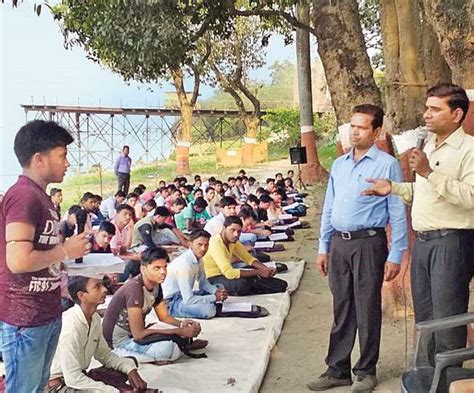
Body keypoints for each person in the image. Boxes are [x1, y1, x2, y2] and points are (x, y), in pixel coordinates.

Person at [362, 84, 474, 367]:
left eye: (435, 109)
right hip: (423, 244)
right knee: (424, 315)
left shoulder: (469, 150)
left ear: (457, 114)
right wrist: (394, 188)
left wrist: (427, 171)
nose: (427, 115)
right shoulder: (429, 145)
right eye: (427, 108)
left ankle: (449, 380)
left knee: (447, 318)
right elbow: (424, 193)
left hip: (452, 242)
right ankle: (426, 377)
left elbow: (471, 196)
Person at [306, 104, 408, 393]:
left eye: (361, 127)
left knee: (367, 308)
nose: (354, 131)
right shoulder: (339, 164)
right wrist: (323, 247)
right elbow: (329, 208)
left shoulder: (387, 164)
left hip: (369, 244)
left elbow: (397, 211)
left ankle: (365, 370)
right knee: (342, 307)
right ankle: (337, 369)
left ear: (377, 132)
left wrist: (395, 254)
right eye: (352, 125)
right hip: (339, 243)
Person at [0, 120, 90, 392]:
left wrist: (64, 258)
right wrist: (65, 250)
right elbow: (17, 260)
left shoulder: (42, 198)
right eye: (62, 155)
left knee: (38, 387)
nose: (67, 163)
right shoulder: (24, 196)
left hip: (45, 313)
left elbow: (40, 254)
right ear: (39, 159)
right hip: (24, 319)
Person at [102, 247, 203, 363]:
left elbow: (164, 317)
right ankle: (180, 347)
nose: (163, 272)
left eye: (165, 267)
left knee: (175, 333)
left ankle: (180, 346)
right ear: (143, 269)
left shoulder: (156, 285)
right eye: (157, 268)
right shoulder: (134, 289)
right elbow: (139, 335)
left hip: (136, 333)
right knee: (167, 350)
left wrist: (182, 324)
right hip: (119, 342)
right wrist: (178, 332)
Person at [48, 275, 148, 392]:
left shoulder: (94, 318)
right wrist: (112, 391)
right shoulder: (70, 327)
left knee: (130, 363)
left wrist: (130, 369)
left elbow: (104, 355)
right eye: (97, 287)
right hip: (59, 385)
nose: (104, 289)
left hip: (80, 376)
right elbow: (72, 378)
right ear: (82, 296)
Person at [203, 216, 285, 296]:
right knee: (242, 284)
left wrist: (265, 269)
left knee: (281, 285)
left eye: (239, 231)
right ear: (224, 228)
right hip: (213, 278)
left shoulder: (233, 240)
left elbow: (248, 258)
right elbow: (229, 273)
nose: (236, 234)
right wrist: (259, 272)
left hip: (226, 274)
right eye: (232, 230)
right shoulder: (215, 243)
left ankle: (254, 282)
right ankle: (253, 284)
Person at [163, 230, 228, 319]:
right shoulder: (185, 264)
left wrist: (216, 292)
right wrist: (214, 297)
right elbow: (188, 299)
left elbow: (203, 283)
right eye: (199, 245)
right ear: (190, 244)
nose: (203, 249)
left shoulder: (199, 258)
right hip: (171, 302)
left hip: (184, 295)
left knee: (219, 286)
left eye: (206, 245)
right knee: (208, 310)